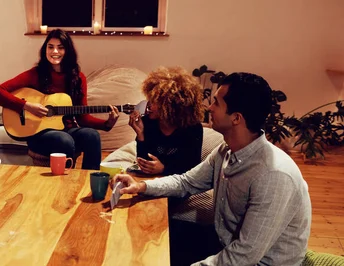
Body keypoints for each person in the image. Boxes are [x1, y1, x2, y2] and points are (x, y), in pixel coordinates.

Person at [113, 72, 311, 265]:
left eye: (216, 102)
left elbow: (244, 257)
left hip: (257, 261)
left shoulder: (274, 176)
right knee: (150, 231)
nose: (209, 107)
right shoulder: (226, 150)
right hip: (223, 243)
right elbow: (186, 182)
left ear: (236, 118)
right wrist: (141, 187)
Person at [0, 29, 119, 170]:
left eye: (60, 47)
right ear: (45, 49)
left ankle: (88, 181)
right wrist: (26, 106)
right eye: (50, 47)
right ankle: (63, 185)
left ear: (67, 51)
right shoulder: (35, 74)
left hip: (67, 130)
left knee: (92, 136)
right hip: (38, 133)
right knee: (64, 140)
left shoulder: (78, 78)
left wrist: (106, 124)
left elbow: (83, 118)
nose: (54, 51)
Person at [128, 66, 204, 175]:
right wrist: (140, 135)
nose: (148, 105)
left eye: (154, 101)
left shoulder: (192, 128)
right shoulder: (148, 122)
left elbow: (192, 168)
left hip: (178, 185)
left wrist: (164, 169)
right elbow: (144, 163)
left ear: (169, 105)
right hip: (151, 182)